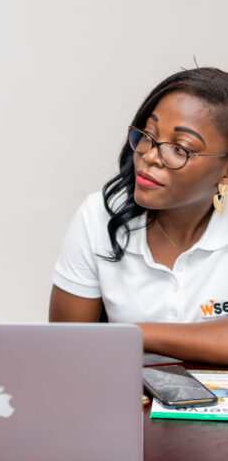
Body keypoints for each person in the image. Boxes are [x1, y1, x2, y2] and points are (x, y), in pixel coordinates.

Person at [50, 68, 228, 364]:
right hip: (129, 405)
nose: (149, 156)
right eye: (149, 134)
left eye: (179, 148)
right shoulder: (99, 215)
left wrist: (133, 333)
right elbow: (64, 349)